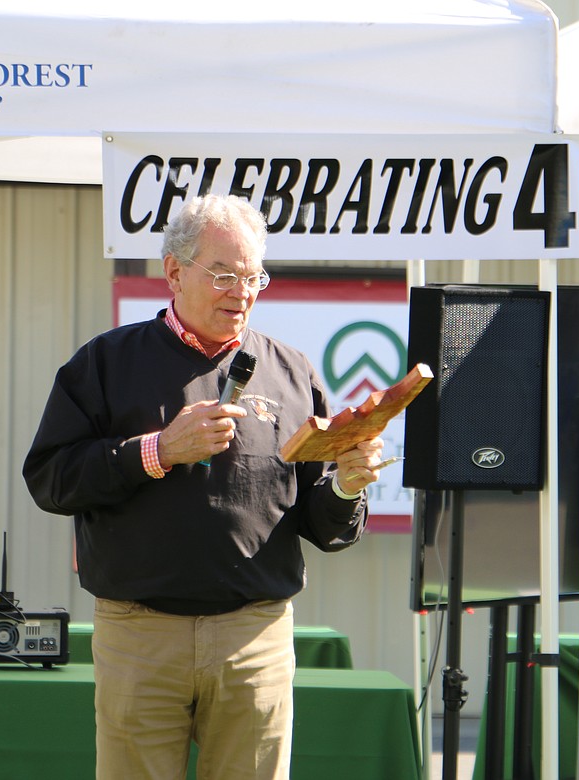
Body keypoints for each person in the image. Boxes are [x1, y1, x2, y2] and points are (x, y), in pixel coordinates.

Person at [23, 194, 384, 780]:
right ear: (174, 272)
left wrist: (346, 486)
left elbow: (324, 527)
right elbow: (50, 480)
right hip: (141, 634)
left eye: (253, 276)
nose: (241, 291)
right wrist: (157, 451)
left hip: (255, 638)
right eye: (223, 274)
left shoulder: (292, 374)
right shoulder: (107, 364)